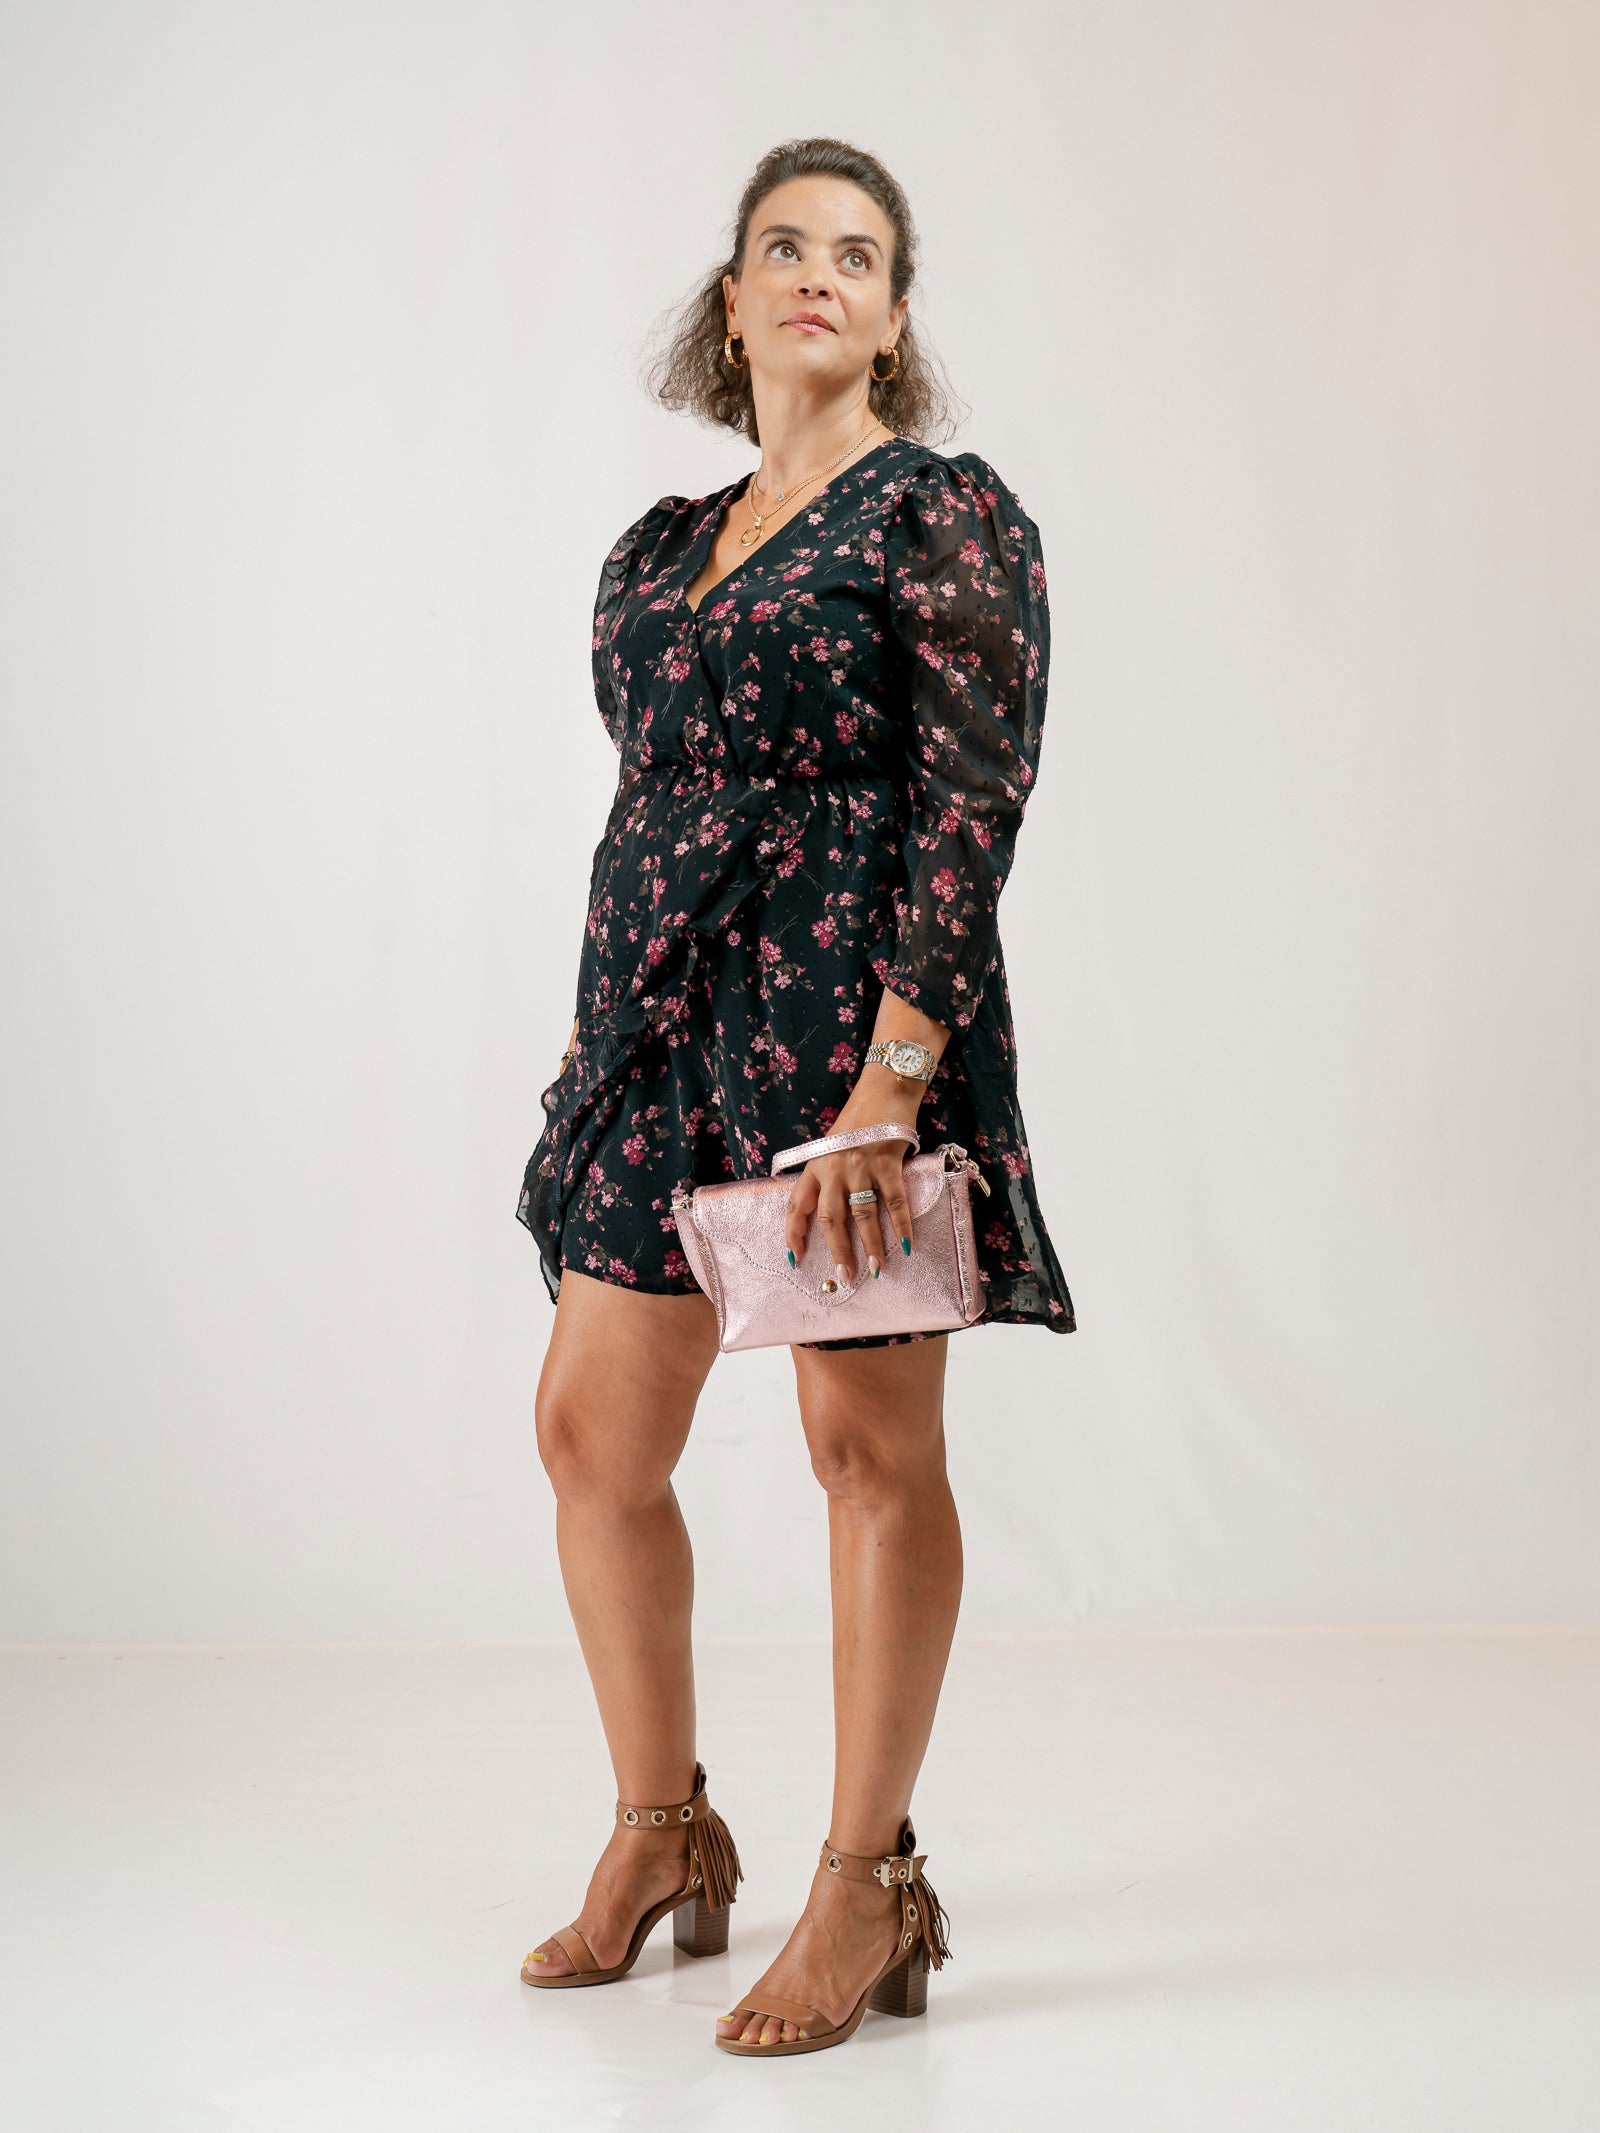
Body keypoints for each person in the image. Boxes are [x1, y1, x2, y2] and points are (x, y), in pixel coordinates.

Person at [514, 135, 1075, 2060]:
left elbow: (972, 804)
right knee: (591, 1434)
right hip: (657, 1027)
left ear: (894, 319)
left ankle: (865, 1877)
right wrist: (600, 1034)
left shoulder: (944, 517)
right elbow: (653, 796)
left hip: (850, 1035)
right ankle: (662, 1826)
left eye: (857, 253)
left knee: (865, 1453)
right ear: (734, 301)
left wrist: (893, 1080)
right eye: (783, 247)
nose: (817, 273)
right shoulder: (658, 548)